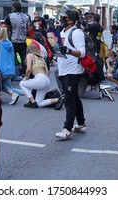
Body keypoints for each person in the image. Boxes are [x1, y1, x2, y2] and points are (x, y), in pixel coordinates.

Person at [55, 10, 86, 140]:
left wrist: (68, 51)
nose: (62, 19)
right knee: (74, 97)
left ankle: (67, 129)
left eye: (65, 18)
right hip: (63, 69)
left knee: (69, 100)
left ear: (72, 20)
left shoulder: (77, 33)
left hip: (73, 70)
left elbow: (82, 53)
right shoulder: (62, 33)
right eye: (61, 17)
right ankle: (80, 123)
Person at [19, 44, 63, 109]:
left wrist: (26, 78)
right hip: (46, 80)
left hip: (40, 78)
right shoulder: (42, 58)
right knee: (39, 103)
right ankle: (57, 100)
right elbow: (47, 72)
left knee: (22, 84)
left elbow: (28, 69)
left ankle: (32, 101)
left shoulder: (30, 55)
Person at [4, 1, 31, 75]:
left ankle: (11, 75)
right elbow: (29, 30)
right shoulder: (26, 17)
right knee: (24, 60)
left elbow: (6, 29)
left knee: (11, 59)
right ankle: (26, 75)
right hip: (23, 42)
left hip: (13, 41)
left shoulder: (10, 16)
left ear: (13, 8)